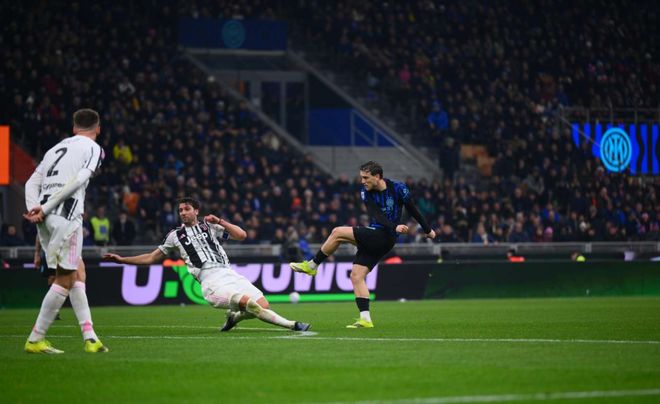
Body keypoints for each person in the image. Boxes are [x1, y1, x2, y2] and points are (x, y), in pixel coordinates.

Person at [102, 197, 311, 332]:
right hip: (210, 281)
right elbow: (150, 257)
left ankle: (233, 319)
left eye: (186, 209)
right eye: (180, 210)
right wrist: (122, 260)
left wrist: (220, 221)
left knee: (263, 305)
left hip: (229, 273)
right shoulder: (175, 236)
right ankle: (292, 325)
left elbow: (241, 235)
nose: (183, 213)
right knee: (250, 304)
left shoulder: (210, 227)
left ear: (196, 211)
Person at [290, 161, 436, 328]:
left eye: (366, 178)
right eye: (361, 177)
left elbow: (413, 209)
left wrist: (428, 229)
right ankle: (365, 319)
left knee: (337, 232)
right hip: (378, 235)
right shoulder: (365, 192)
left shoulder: (398, 188)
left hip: (384, 236)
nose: (362, 181)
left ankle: (312, 265)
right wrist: (394, 226)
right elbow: (377, 214)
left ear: (377, 176)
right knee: (356, 276)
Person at [23, 108, 107, 354]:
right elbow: (80, 179)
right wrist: (46, 207)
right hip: (66, 215)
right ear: (98, 128)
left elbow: (30, 183)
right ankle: (35, 339)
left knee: (78, 271)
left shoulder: (53, 149)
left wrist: (35, 209)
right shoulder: (94, 148)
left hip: (45, 219)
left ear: (73, 128)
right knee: (66, 278)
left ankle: (90, 337)